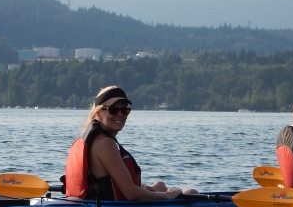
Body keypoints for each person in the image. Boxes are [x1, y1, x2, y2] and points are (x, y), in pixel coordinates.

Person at [65, 86, 197, 201]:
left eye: (125, 110)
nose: (120, 114)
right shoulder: (105, 143)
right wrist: (166, 196)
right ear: (99, 113)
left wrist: (150, 189)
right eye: (113, 110)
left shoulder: (91, 139)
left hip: (96, 203)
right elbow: (131, 194)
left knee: (159, 185)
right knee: (192, 193)